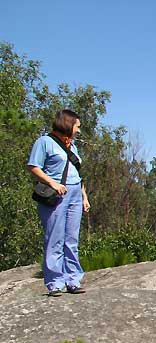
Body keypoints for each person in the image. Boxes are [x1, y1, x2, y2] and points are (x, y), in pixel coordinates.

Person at [28, 109, 91, 297]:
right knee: (54, 239)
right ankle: (55, 282)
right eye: (77, 126)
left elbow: (78, 174)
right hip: (56, 195)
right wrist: (52, 183)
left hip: (74, 196)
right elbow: (33, 166)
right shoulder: (44, 142)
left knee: (71, 240)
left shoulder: (72, 147)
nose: (78, 131)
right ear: (67, 124)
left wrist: (84, 196)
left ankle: (73, 280)